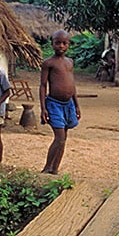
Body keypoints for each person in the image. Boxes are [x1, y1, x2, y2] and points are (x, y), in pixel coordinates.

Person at [40, 30, 81, 174]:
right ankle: (46, 168)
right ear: (52, 43)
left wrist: (76, 105)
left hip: (68, 104)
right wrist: (43, 108)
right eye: (58, 43)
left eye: (64, 43)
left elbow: (72, 84)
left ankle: (55, 169)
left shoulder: (70, 62)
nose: (61, 46)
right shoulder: (48, 63)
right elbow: (43, 85)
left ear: (69, 44)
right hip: (54, 104)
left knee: (64, 138)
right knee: (59, 137)